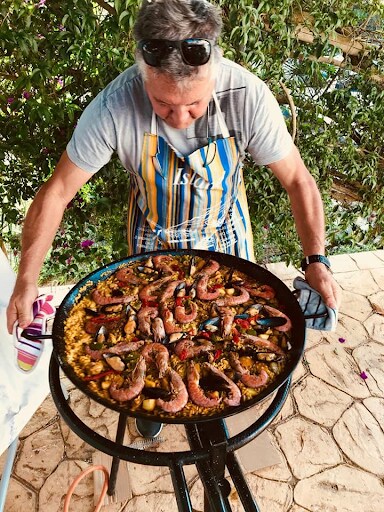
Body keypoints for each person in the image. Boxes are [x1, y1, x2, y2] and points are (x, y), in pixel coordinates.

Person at [7, 0, 341, 437]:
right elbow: (57, 192)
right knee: (146, 341)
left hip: (226, 234)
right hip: (152, 237)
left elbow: (298, 180)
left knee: (232, 335)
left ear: (215, 72)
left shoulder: (247, 96)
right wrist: (27, 279)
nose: (180, 118)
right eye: (163, 104)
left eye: (195, 104)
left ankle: (217, 399)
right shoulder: (114, 106)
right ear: (142, 75)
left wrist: (317, 260)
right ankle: (148, 406)